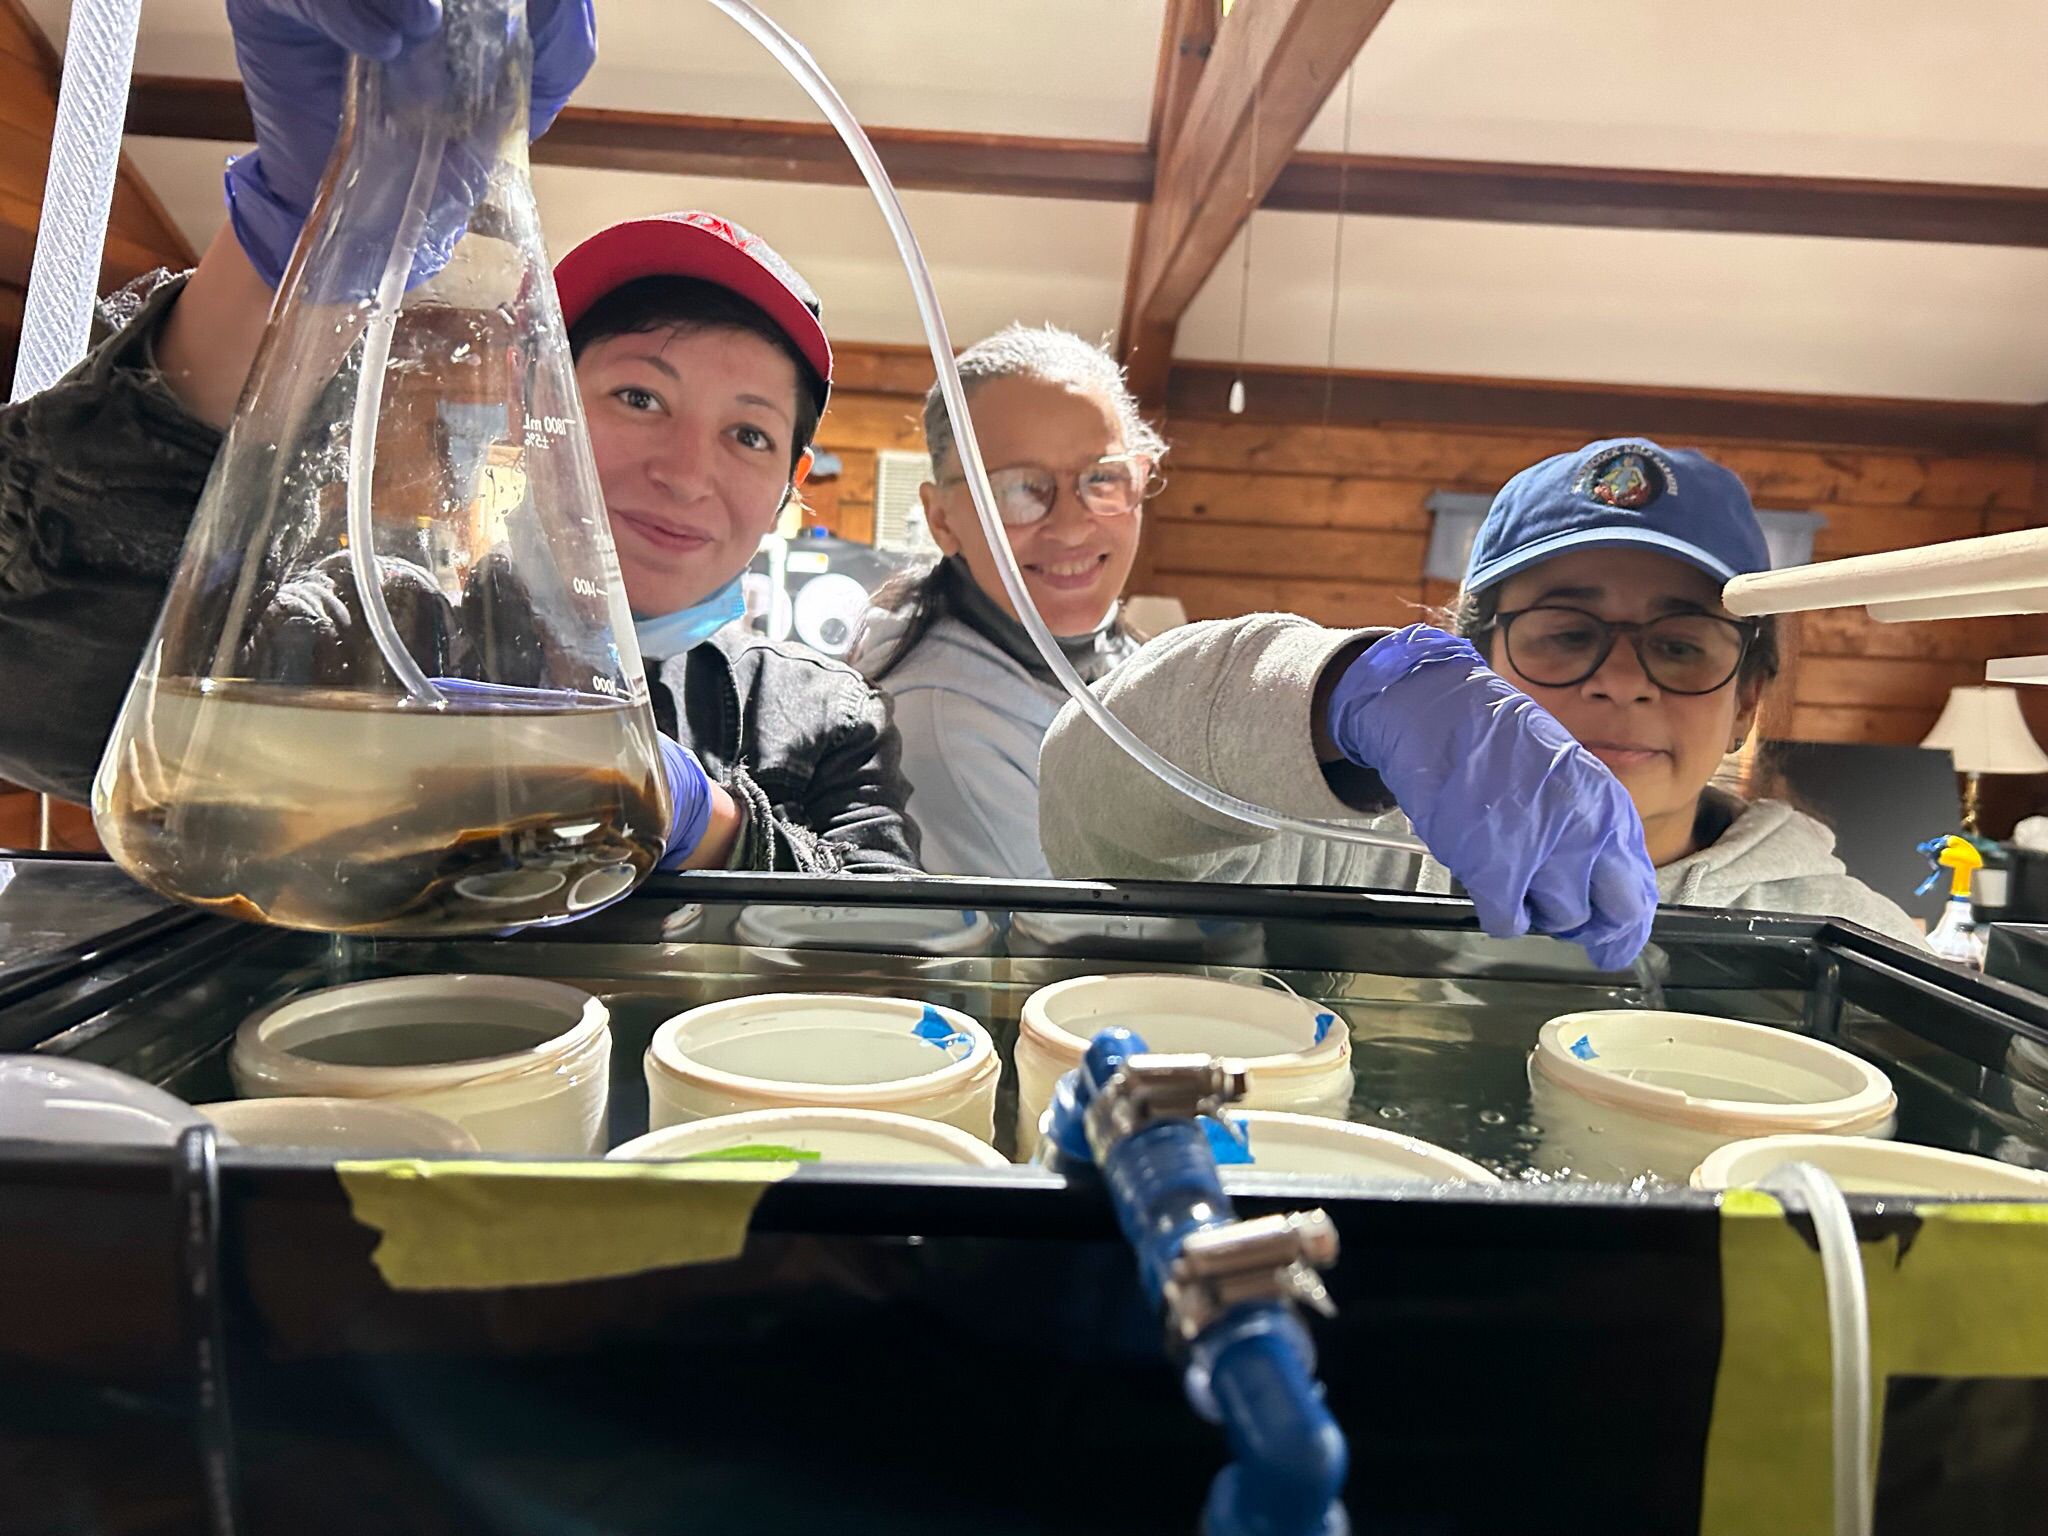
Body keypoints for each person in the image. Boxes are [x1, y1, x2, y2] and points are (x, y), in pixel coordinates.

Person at [0, 0, 915, 874]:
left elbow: (897, 942)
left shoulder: (823, 711)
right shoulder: (390, 621)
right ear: (533, 407)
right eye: (639, 396)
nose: (685, 472)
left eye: (749, 436)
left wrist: (692, 813)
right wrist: (297, 233)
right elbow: (50, 680)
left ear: (794, 482)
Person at [1039, 438, 1925, 955]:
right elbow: (1089, 801)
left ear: (1747, 700)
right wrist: (1343, 691)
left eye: (1680, 645)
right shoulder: (1337, 853)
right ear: (1473, 664)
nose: (1620, 679)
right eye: (1566, 633)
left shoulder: (1839, 931)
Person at [851, 326, 1159, 876]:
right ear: (942, 519)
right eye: (1017, 488)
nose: (1070, 526)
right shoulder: (940, 728)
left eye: (1102, 477)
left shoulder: (1117, 655)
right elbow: (1073, 943)